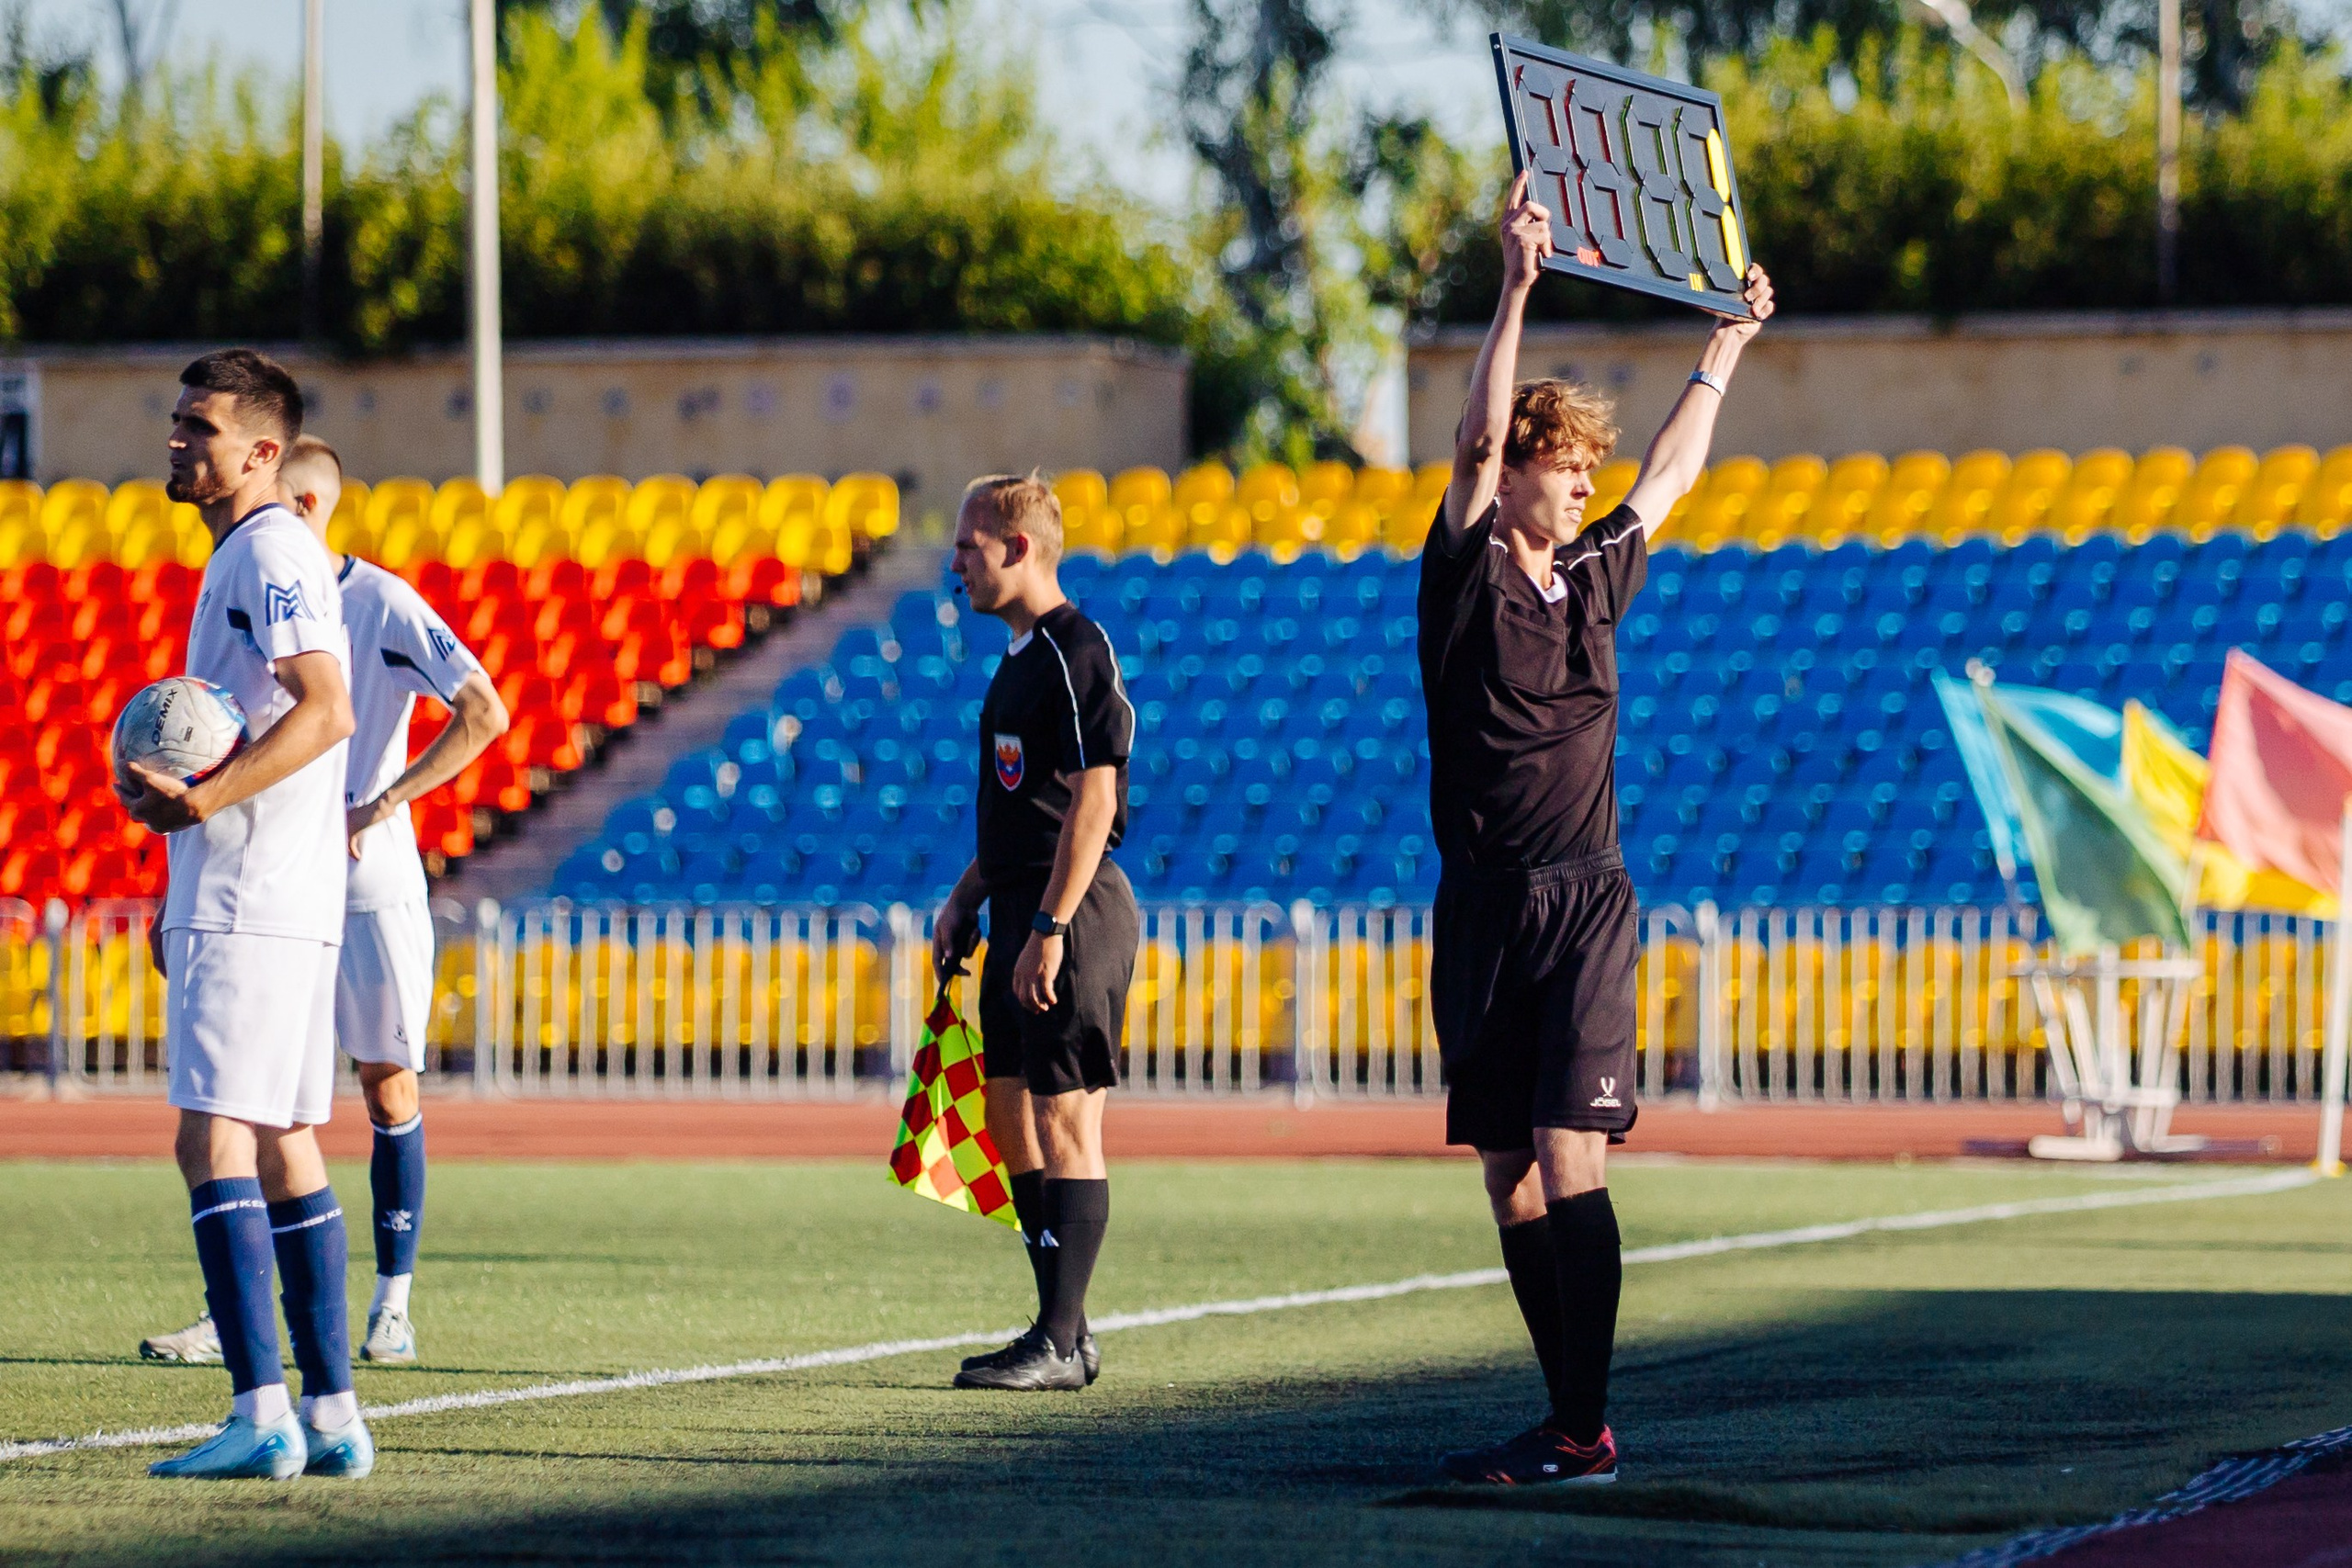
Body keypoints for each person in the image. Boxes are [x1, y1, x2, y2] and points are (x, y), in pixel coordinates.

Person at [1424, 173, 1773, 1485]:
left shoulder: (1593, 575)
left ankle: (1582, 1428)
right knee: (1509, 1170)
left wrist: (1722, 350)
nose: (1580, 488)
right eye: (1558, 469)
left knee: (1573, 1150)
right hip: (1483, 901)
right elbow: (1462, 450)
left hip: (1585, 898)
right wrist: (1514, 286)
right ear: (1512, 475)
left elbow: (1673, 478)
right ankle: (1568, 1412)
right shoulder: (1461, 579)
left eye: (1582, 471)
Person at [140, 435, 509, 1371]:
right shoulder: (245, 582)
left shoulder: (376, 598)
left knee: (383, 1085)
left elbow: (484, 710)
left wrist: (384, 803)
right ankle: (249, 1325)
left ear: (306, 505)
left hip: (366, 879)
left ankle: (392, 1303)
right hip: (267, 875)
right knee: (258, 1111)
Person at [119, 350, 368, 1481]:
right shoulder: (262, 553)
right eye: (176, 423)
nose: (179, 441)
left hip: (250, 888)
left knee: (208, 1134)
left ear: (262, 452)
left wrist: (201, 801)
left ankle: (260, 1410)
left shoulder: (268, 549)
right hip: (279, 891)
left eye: (199, 428)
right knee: (282, 1141)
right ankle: (329, 1418)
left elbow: (327, 709)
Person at [932, 473, 1138, 1393]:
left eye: (970, 546)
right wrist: (966, 897)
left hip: (1070, 912)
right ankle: (1066, 1327)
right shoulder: (1017, 658)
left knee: (1065, 1119)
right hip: (1017, 906)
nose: (956, 562)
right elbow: (1025, 807)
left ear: (1017, 549)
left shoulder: (1074, 647)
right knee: (1011, 1117)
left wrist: (1051, 925)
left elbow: (1095, 798)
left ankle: (1056, 1340)